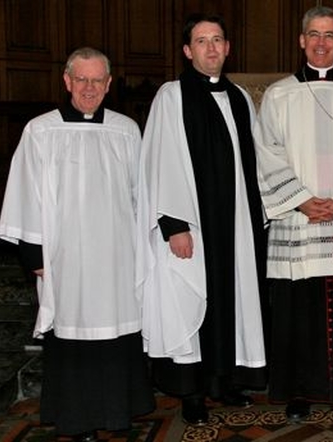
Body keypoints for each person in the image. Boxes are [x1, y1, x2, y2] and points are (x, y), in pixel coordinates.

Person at [0, 47, 155, 441]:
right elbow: (23, 193)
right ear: (67, 81)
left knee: (117, 334)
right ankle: (78, 420)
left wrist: (144, 249)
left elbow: (142, 195)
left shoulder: (126, 130)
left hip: (118, 257)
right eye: (81, 79)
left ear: (108, 84)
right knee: (73, 336)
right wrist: (33, 253)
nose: (89, 87)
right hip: (66, 258)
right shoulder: (41, 130)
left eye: (97, 80)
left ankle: (118, 414)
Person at [253, 6, 333, 421]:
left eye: (330, 35)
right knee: (298, 309)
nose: (322, 42)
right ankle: (298, 392)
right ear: (301, 40)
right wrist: (300, 199)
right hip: (298, 219)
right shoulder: (279, 95)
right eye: (314, 34)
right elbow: (267, 152)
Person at [136, 13, 267, 426]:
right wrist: (174, 225)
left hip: (238, 224)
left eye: (217, 40)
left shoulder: (241, 98)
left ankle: (224, 381)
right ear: (188, 51)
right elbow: (161, 160)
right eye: (201, 41)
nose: (211, 48)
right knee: (191, 297)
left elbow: (259, 160)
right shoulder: (171, 96)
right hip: (192, 224)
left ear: (228, 48)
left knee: (234, 297)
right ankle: (191, 391)